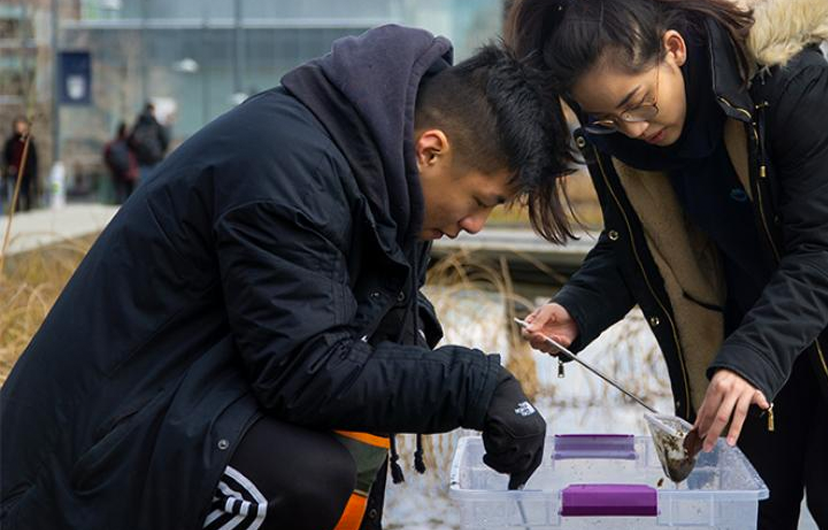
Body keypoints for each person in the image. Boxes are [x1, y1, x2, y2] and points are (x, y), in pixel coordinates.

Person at [0, 25, 577, 530]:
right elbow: (307, 370)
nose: (475, 225)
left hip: (178, 407)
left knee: (342, 454)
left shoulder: (381, 184)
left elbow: (357, 353)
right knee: (304, 476)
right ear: (431, 149)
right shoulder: (285, 168)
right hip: (75, 468)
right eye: (480, 200)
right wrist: (475, 387)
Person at [507, 0, 828, 528]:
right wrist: (577, 308)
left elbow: (826, 247)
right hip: (755, 321)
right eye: (607, 117)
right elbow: (644, 241)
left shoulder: (789, 81)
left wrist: (751, 359)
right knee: (754, 503)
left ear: (674, 49)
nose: (633, 128)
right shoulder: (616, 137)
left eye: (639, 103)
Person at [128, 102, 170, 184]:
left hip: (142, 161)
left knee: (144, 185)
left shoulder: (138, 124)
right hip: (156, 159)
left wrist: (137, 153)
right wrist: (161, 152)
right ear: (152, 110)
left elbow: (130, 141)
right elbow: (165, 140)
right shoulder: (156, 124)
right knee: (156, 183)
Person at [2, 116, 38, 212]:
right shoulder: (10, 142)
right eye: (18, 126)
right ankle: (15, 211)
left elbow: (33, 159)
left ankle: (28, 210)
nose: (20, 128)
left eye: (22, 126)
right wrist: (8, 168)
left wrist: (33, 172)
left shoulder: (29, 142)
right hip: (14, 172)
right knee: (14, 193)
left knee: (26, 193)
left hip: (27, 172)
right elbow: (5, 157)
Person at [103, 121, 138, 203]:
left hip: (120, 173)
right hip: (127, 173)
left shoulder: (113, 144)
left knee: (122, 197)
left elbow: (106, 157)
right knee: (128, 198)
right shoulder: (130, 144)